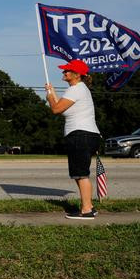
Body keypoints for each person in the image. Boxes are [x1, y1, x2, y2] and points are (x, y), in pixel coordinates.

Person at [45, 59, 102, 220]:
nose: (64, 72)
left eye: (67, 70)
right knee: (80, 174)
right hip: (86, 135)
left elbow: (56, 109)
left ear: (77, 75)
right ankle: (88, 206)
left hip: (80, 135)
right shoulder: (80, 89)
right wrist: (52, 92)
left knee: (81, 174)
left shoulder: (76, 89)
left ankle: (86, 210)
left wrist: (49, 97)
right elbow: (63, 108)